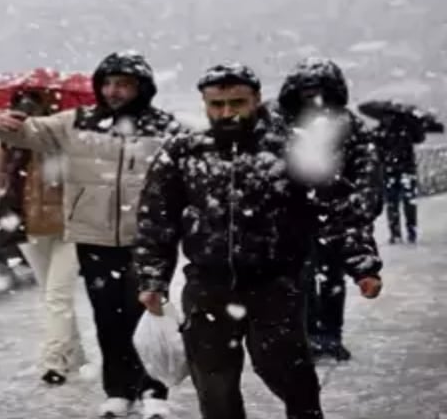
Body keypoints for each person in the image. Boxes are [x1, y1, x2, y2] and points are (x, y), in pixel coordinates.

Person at [135, 64, 383, 419]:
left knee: (286, 370)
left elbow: (338, 208)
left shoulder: (291, 148)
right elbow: (156, 219)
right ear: (204, 104)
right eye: (217, 104)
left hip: (275, 282)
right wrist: (152, 278)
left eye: (237, 103)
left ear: (256, 99)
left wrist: (362, 265)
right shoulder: (184, 151)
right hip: (208, 283)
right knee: (214, 383)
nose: (227, 113)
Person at [0, 52, 178, 419]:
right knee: (108, 319)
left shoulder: (166, 128)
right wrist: (0, 122)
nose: (113, 91)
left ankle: (153, 390)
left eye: (123, 84)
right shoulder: (76, 122)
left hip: (149, 239)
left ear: (142, 87)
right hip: (94, 237)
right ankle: (118, 391)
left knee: (148, 315)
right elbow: (28, 132)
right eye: (107, 83)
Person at [274, 58, 383, 362]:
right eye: (307, 91)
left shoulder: (349, 126)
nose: (313, 98)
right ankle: (309, 334)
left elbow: (367, 174)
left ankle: (329, 335)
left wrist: (358, 205)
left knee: (331, 277)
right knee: (302, 278)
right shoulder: (281, 124)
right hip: (294, 216)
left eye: (319, 91)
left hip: (336, 214)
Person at [0, 88, 87, 386]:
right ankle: (75, 356)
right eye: (22, 105)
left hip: (69, 227)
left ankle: (53, 361)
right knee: (53, 296)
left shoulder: (65, 135)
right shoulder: (9, 142)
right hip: (30, 228)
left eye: (34, 105)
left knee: (57, 296)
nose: (28, 111)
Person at [371, 109, 429, 245]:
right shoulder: (380, 132)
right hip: (393, 171)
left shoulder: (405, 128)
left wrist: (413, 123)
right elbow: (376, 150)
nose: (387, 119)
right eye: (385, 116)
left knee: (406, 203)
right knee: (394, 204)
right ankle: (396, 233)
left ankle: (409, 231)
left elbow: (419, 138)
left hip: (403, 170)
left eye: (389, 116)